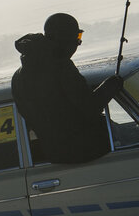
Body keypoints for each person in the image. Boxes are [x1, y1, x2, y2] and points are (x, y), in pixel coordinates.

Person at [11, 13, 124, 164]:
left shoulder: (18, 77)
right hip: (86, 152)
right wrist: (112, 84)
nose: (78, 42)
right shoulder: (61, 67)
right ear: (64, 38)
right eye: (77, 36)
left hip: (55, 155)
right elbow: (89, 107)